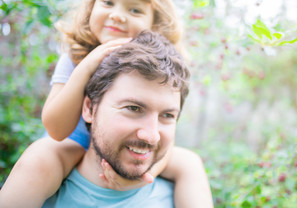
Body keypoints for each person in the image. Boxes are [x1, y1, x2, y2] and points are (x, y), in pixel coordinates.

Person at [0, 0, 213, 207]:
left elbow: (161, 136)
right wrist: (86, 67)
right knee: (41, 156)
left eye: (134, 10)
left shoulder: (159, 68)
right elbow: (56, 129)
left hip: (124, 148)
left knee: (190, 163)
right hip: (73, 143)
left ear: (153, 23)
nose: (118, 15)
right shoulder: (76, 57)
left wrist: (146, 175)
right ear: (92, 6)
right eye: (108, 2)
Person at [41, 31, 201, 207]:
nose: (152, 136)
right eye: (133, 108)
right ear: (89, 108)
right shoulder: (38, 189)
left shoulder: (186, 193)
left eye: (167, 115)